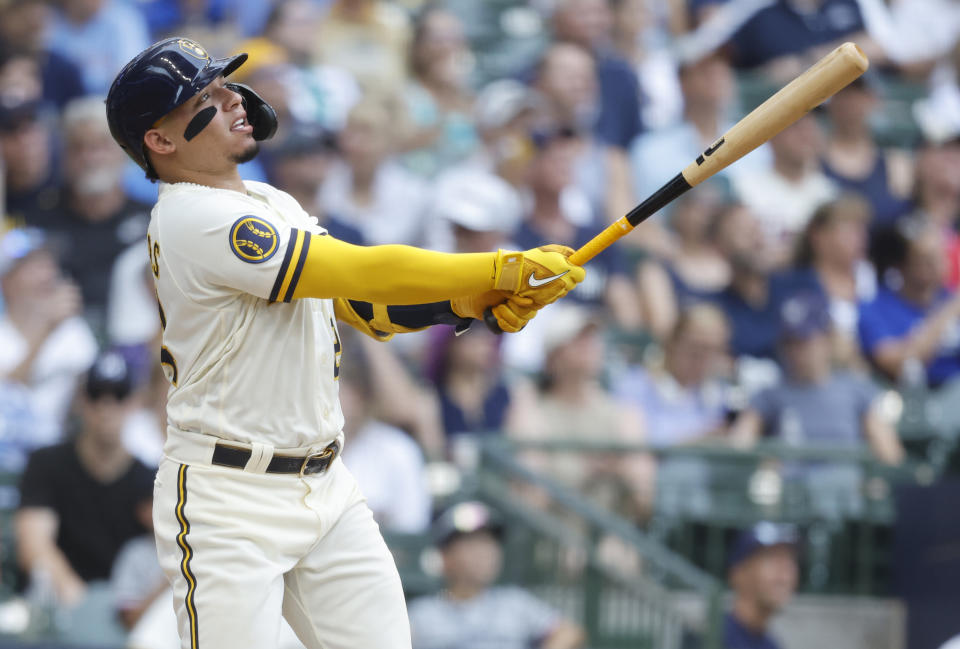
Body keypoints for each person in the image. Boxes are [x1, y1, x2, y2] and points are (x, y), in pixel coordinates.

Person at [104, 37, 585, 649]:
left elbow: (364, 308)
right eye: (204, 96)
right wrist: (493, 270)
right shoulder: (188, 215)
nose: (231, 100)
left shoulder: (270, 201)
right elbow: (358, 269)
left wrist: (466, 304)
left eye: (224, 85)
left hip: (326, 484)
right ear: (160, 140)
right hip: (230, 498)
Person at [14, 351, 154, 607]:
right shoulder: (47, 463)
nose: (106, 408)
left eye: (119, 396)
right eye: (96, 395)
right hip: (56, 609)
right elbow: (33, 546)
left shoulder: (152, 481)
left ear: (134, 402)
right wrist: (79, 602)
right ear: (81, 400)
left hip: (124, 617)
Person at [407, 501, 586, 649]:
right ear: (445, 556)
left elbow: (569, 633)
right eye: (472, 545)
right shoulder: (422, 614)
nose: (486, 553)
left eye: (489, 544)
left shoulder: (515, 602)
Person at [724, 522, 799, 649]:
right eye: (772, 557)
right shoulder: (709, 638)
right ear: (739, 573)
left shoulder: (772, 645)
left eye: (790, 559)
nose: (785, 569)